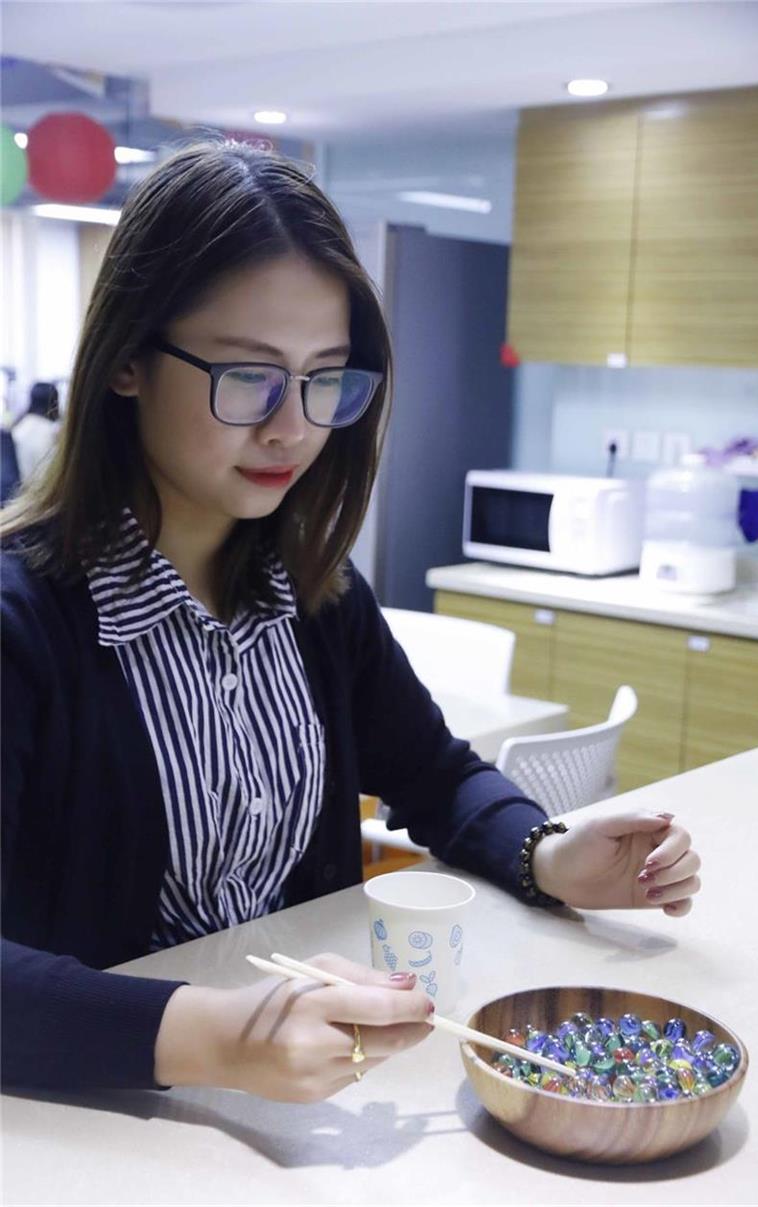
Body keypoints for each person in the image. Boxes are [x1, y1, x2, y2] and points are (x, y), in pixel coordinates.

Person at [0, 140, 701, 1103]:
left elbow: (435, 773)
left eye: (325, 377)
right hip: (103, 1109)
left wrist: (546, 854)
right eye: (247, 376)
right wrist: (216, 1037)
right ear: (127, 360)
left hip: (309, 1088)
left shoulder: (312, 590)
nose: (292, 427)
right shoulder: (24, 621)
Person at [11, 381, 61, 485]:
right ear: (53, 403)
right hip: (41, 489)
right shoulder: (51, 432)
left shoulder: (17, 428)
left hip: (19, 490)